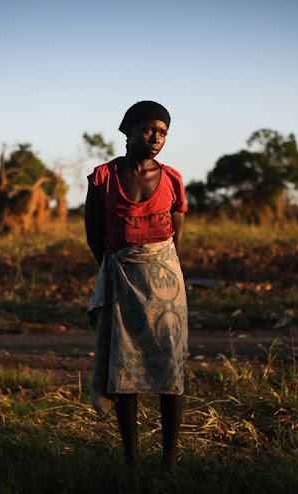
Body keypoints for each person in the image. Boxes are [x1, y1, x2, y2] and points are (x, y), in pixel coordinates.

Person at [84, 100, 188, 470]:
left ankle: (170, 461)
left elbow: (176, 236)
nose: (155, 138)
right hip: (121, 278)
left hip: (166, 284)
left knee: (169, 367)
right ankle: (132, 461)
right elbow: (94, 235)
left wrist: (158, 270)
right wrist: (118, 270)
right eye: (148, 129)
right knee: (124, 370)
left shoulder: (172, 178)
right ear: (127, 130)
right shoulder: (103, 177)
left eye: (162, 132)